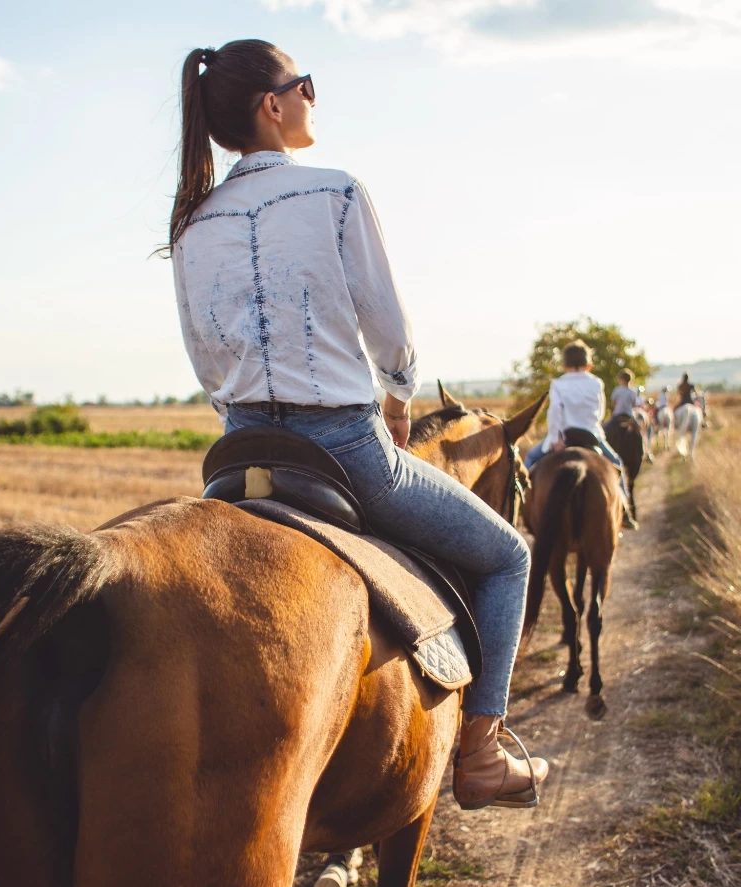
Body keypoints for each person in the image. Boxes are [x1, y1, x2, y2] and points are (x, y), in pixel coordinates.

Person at [167, 40, 547, 811]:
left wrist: (248, 412)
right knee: (507, 556)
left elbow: (206, 358)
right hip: (345, 450)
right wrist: (401, 401)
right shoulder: (335, 191)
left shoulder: (190, 221)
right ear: (272, 106)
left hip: (236, 457)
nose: (312, 96)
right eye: (305, 85)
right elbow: (391, 332)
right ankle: (480, 753)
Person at [523, 341, 638, 530]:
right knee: (616, 463)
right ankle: (625, 510)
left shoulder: (558, 384)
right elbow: (599, 412)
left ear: (564, 365)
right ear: (589, 364)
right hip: (591, 435)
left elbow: (555, 413)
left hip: (564, 436)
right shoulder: (596, 383)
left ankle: (520, 502)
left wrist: (555, 439)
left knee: (530, 458)